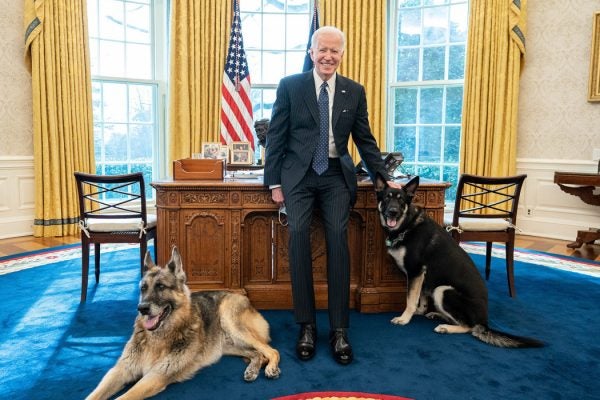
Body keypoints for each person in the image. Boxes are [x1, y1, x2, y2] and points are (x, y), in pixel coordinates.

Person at [263, 26, 399, 365]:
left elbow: (364, 140)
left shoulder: (354, 91)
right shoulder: (291, 87)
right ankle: (306, 326)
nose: (328, 56)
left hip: (337, 176)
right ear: (311, 52)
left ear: (342, 54)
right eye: (322, 49)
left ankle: (339, 330)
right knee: (297, 236)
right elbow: (276, 137)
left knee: (338, 237)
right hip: (298, 177)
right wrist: (274, 183)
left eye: (334, 51)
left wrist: (383, 175)